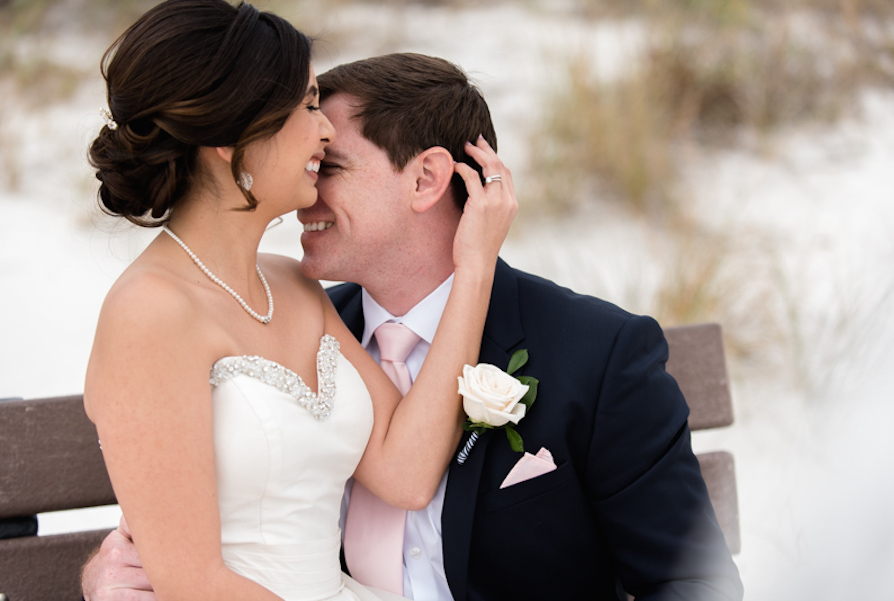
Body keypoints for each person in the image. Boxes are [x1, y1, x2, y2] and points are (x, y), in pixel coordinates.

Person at [81, 51, 743, 600]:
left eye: (330, 166)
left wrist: (475, 271)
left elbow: (691, 580)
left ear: (425, 179)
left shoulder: (595, 354)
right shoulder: (285, 317)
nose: (310, 183)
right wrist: (108, 572)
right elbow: (188, 512)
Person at [82, 1, 516, 600]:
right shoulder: (149, 312)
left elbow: (407, 470)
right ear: (234, 133)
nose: (327, 129)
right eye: (309, 104)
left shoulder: (290, 286)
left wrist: (475, 268)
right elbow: (192, 583)